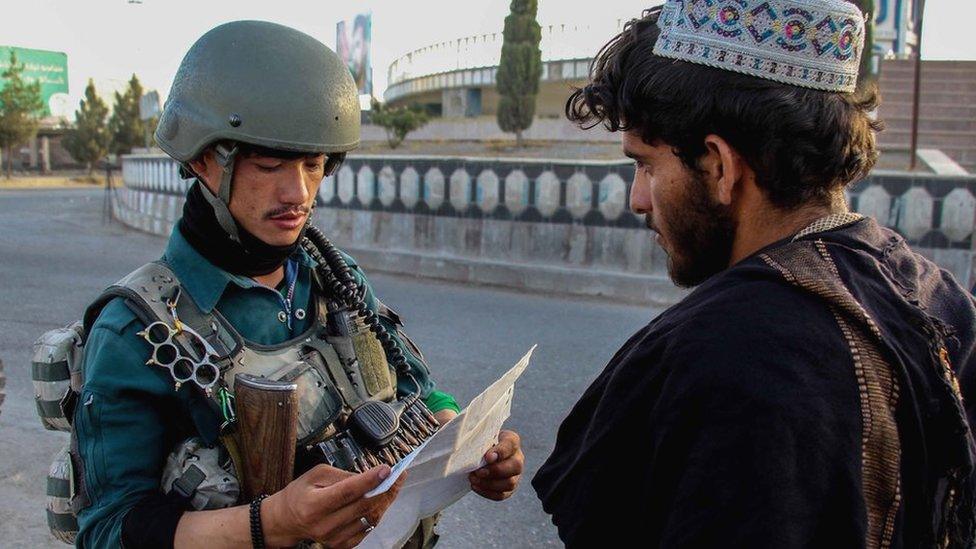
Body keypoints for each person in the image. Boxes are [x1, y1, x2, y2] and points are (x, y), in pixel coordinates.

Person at [533, 2, 976, 547]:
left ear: (719, 165)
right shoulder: (942, 300)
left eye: (646, 164)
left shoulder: (721, 352)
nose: (639, 198)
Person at [73, 21, 523, 549]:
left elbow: (415, 392)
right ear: (202, 161)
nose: (299, 193)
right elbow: (105, 530)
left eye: (314, 165)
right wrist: (272, 523)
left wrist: (468, 447)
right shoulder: (136, 329)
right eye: (270, 165)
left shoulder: (335, 278)